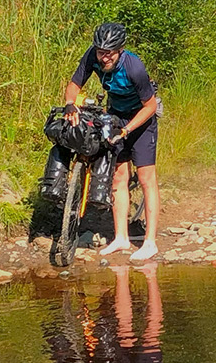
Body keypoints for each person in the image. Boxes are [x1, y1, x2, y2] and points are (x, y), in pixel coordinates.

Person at [63, 21, 161, 261]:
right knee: (118, 175)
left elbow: (150, 106)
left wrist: (127, 130)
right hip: (116, 114)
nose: (104, 58)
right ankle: (121, 238)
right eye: (100, 52)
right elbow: (75, 84)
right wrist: (70, 104)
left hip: (141, 119)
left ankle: (150, 242)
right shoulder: (92, 56)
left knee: (147, 177)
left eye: (109, 53)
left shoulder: (134, 67)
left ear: (120, 50)